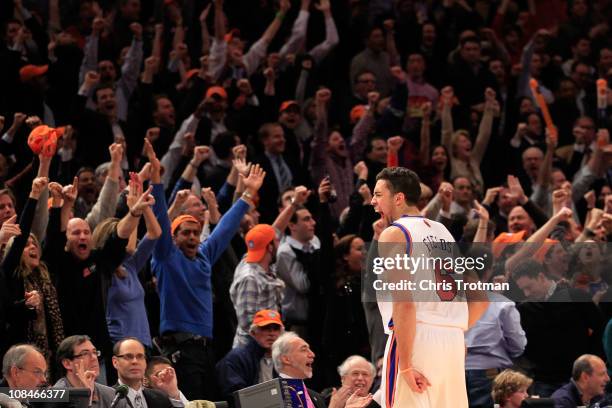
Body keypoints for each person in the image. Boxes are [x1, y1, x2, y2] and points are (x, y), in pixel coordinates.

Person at [372, 167, 488, 407]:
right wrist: (454, 327)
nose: (373, 201)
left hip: (415, 338)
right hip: (452, 342)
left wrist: (405, 366)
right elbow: (481, 297)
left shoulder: (394, 234)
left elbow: (404, 303)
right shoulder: (442, 231)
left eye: (378, 194)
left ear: (399, 198)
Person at [229, 225, 284, 348]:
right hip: (252, 351)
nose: (279, 244)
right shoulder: (250, 279)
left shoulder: (258, 262)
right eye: (276, 241)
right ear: (270, 247)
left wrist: (293, 206)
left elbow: (276, 229)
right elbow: (247, 323)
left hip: (267, 347)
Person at [215, 309, 284, 399]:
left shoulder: (285, 358)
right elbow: (235, 396)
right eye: (265, 328)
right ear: (253, 333)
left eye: (276, 329)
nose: (271, 333)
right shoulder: (236, 358)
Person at [55, 335, 127, 408]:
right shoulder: (55, 397)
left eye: (95, 352)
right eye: (85, 353)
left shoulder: (113, 396)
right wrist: (86, 397)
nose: (94, 358)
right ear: (67, 364)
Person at [271, 332, 332, 408]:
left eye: (309, 349)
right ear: (286, 359)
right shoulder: (270, 395)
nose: (312, 354)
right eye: (304, 350)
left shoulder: (317, 397)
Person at [112, 338, 173, 408]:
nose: (135, 361)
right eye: (128, 356)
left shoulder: (161, 398)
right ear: (115, 362)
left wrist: (174, 393)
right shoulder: (107, 398)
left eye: (140, 356)